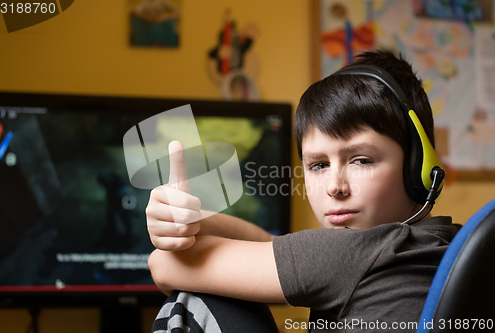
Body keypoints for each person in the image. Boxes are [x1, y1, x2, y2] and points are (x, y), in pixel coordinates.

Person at [146, 50, 460, 332]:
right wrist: (191, 219)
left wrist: (174, 237)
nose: (336, 187)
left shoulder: (348, 253)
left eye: (361, 160)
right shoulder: (442, 242)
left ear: (419, 166)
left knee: (193, 298)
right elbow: (274, 246)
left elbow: (165, 266)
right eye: (318, 165)